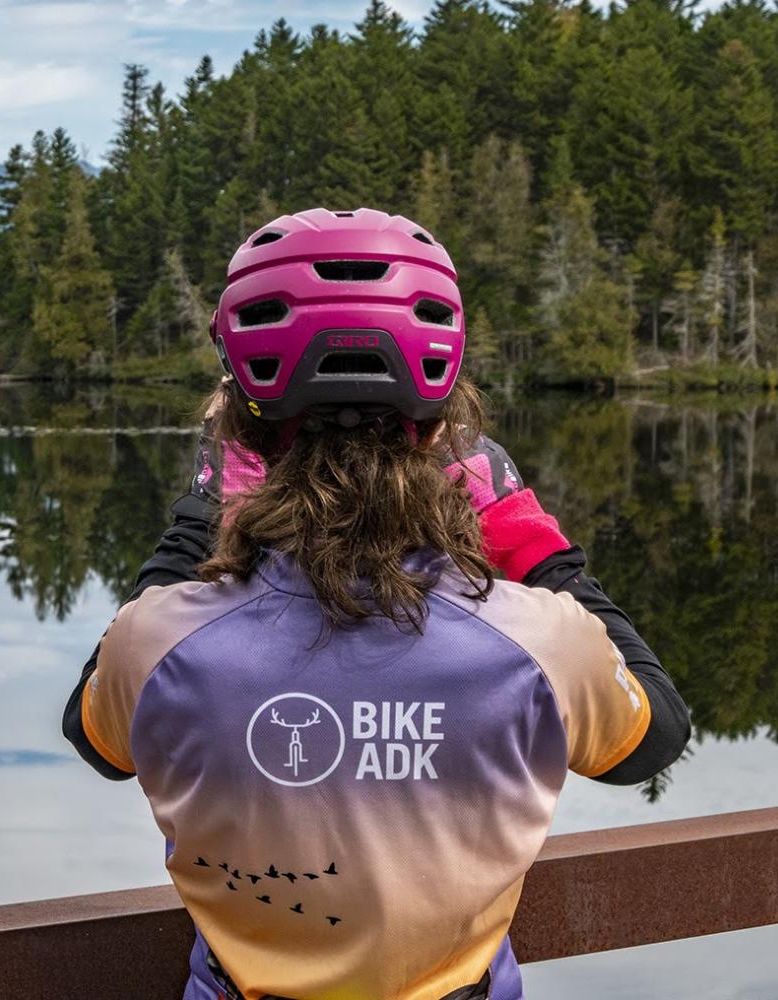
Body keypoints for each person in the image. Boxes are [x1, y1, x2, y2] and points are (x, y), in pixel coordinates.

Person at [62, 208, 690, 1000]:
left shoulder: (160, 642)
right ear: (437, 421)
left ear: (245, 422)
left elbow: (95, 740)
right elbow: (655, 736)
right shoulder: (537, 642)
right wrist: (530, 541)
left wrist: (199, 519)